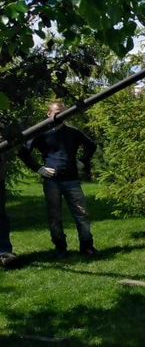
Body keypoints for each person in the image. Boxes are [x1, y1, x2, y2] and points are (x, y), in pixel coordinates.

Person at [18, 102, 97, 258]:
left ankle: (87, 246)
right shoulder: (41, 134)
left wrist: (82, 161)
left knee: (82, 215)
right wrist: (39, 168)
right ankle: (60, 248)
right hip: (52, 181)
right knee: (55, 217)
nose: (60, 115)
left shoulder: (73, 132)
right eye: (57, 112)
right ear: (49, 114)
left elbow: (91, 146)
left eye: (63, 113)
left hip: (72, 180)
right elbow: (23, 152)